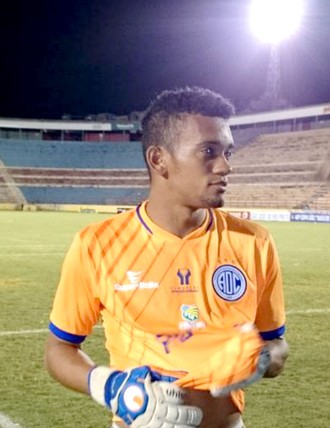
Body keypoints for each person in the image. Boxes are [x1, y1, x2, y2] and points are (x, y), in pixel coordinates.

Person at [45, 86, 289, 428]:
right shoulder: (97, 244)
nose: (225, 166)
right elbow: (59, 347)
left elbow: (276, 342)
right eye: (208, 151)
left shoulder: (254, 243)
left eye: (227, 153)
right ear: (159, 160)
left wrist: (263, 358)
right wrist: (107, 385)